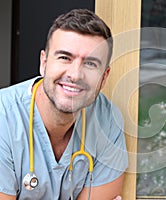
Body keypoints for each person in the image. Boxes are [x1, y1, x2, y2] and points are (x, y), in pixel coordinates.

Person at [0, 9, 128, 199]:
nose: (75, 75)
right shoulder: (4, 116)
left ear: (104, 77)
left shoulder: (108, 121)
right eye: (64, 58)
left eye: (91, 64)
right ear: (43, 63)